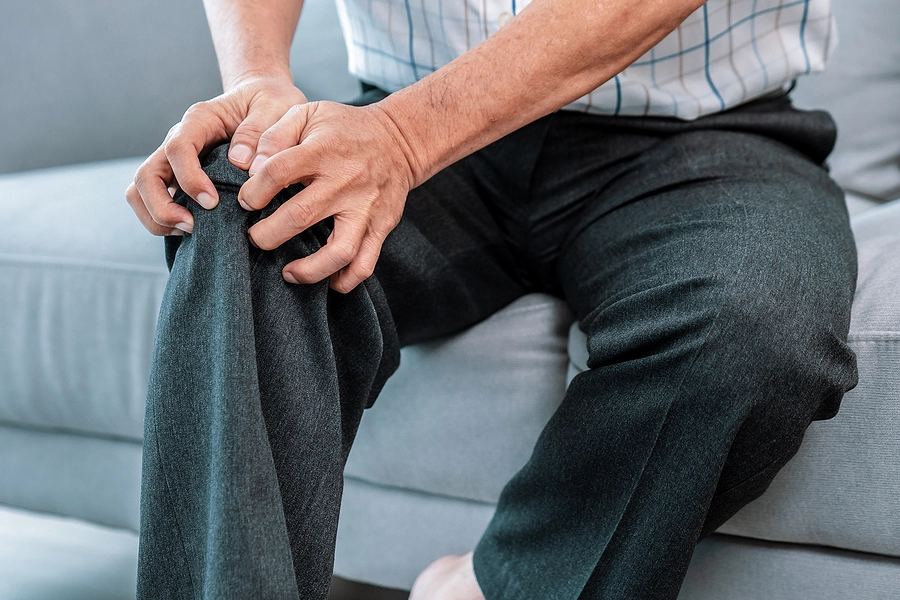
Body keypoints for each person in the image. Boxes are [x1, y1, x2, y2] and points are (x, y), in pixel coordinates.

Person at [126, 0, 859, 597]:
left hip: (703, 133)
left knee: (757, 327)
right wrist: (256, 84)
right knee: (240, 219)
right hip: (407, 106)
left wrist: (402, 142)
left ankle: (496, 588)